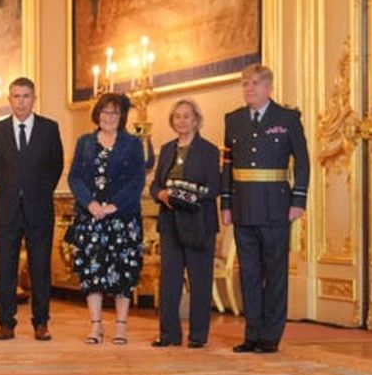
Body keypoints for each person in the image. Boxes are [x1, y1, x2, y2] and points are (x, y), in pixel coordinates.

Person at [222, 64, 309, 354]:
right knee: (248, 273)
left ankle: (270, 336)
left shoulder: (286, 118)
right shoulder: (233, 120)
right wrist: (226, 203)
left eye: (256, 83)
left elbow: (303, 162)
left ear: (269, 88)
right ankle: (252, 334)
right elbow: (228, 166)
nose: (250, 88)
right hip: (244, 205)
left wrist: (298, 200)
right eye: (246, 83)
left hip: (276, 206)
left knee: (274, 272)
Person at [0, 77, 64, 341]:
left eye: (26, 96)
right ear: (9, 100)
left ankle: (41, 323)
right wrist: (11, 189)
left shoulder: (49, 129)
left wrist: (36, 190)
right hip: (7, 211)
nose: (21, 101)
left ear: (34, 98)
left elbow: (56, 166)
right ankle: (6, 323)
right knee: (5, 268)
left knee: (40, 268)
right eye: (16, 96)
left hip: (39, 209)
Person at [67, 93, 145, 345]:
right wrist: (89, 203)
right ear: (97, 114)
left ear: (121, 116)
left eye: (114, 112)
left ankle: (121, 327)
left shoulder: (132, 144)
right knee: (93, 272)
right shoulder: (85, 142)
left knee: (123, 273)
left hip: (122, 219)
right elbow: (75, 177)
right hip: (91, 218)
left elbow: (137, 179)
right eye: (104, 112)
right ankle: (95, 326)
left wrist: (114, 206)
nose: (108, 117)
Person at [150, 99, 220, 348]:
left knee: (199, 280)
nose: (181, 121)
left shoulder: (209, 150)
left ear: (197, 120)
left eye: (186, 116)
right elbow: (156, 184)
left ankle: (198, 336)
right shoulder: (167, 149)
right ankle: (168, 334)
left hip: (199, 222)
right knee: (169, 280)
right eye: (177, 117)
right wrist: (162, 195)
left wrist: (182, 196)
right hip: (170, 222)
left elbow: (213, 188)